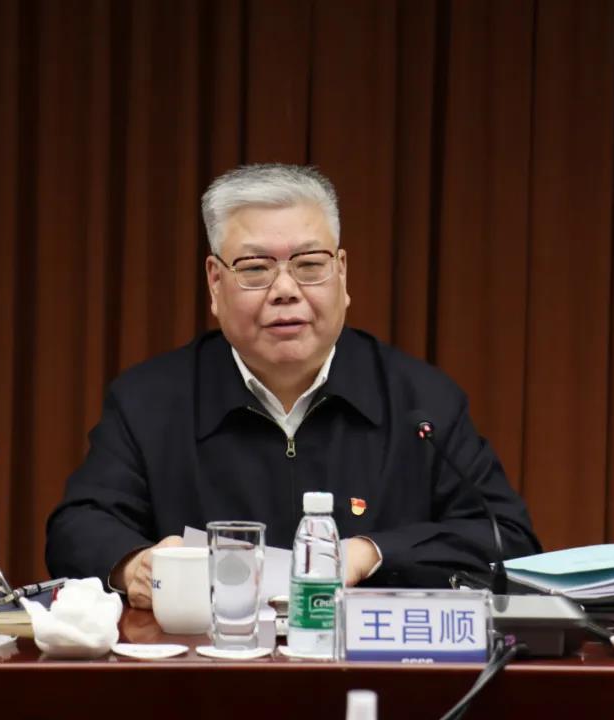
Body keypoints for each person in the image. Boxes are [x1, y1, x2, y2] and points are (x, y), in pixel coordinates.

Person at [45, 164, 540, 608]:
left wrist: (372, 553)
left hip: (373, 669)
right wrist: (134, 565)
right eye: (256, 269)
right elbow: (77, 528)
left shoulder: (420, 401)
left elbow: (508, 539)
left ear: (342, 273)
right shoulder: (149, 401)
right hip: (206, 668)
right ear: (215, 283)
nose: (285, 290)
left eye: (309, 265)